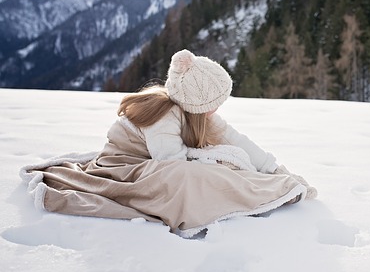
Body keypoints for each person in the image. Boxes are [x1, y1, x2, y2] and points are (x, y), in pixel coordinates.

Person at [21, 49, 317, 237]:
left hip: (154, 164)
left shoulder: (200, 115)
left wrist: (277, 170)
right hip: (124, 166)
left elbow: (238, 140)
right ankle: (249, 195)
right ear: (196, 102)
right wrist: (213, 158)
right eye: (214, 102)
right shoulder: (165, 114)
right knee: (194, 177)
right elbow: (171, 163)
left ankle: (276, 188)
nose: (217, 109)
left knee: (224, 163)